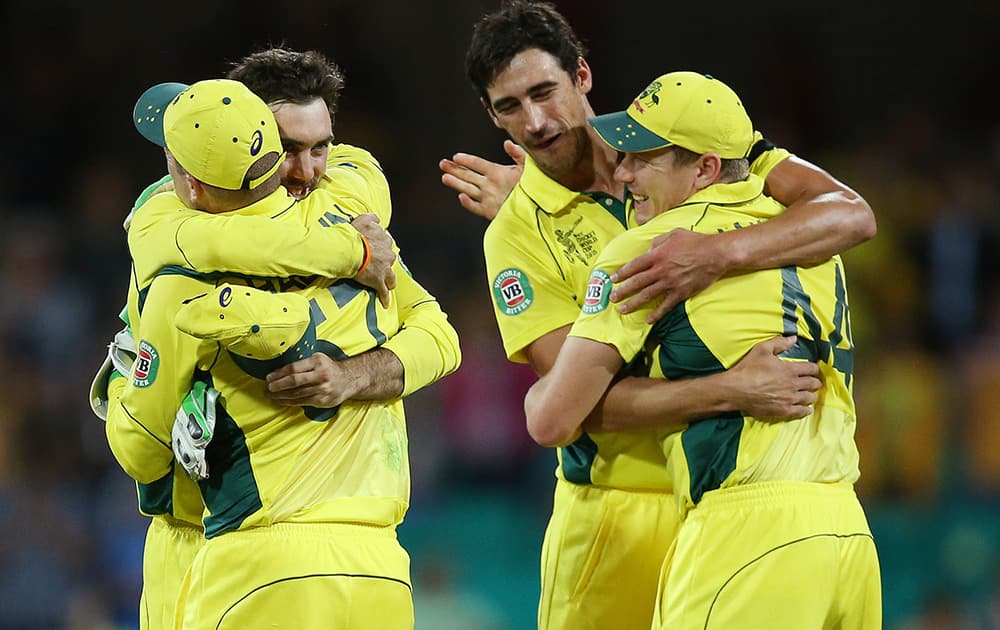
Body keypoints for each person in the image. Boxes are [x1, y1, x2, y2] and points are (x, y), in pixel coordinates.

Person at [449, 2, 876, 629]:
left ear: (583, 77)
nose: (535, 122)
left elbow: (852, 214)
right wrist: (727, 390)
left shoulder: (685, 140)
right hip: (616, 512)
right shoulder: (517, 235)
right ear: (491, 116)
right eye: (509, 107)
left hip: (719, 501)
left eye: (544, 92)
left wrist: (711, 256)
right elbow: (578, 406)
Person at [93, 49, 460, 630]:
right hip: (196, 538)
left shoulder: (342, 216)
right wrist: (351, 250)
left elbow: (440, 337)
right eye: (286, 149)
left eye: (321, 148)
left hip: (255, 547)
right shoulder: (354, 232)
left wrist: (350, 377)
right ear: (245, 142)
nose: (307, 170)